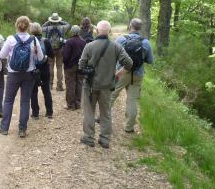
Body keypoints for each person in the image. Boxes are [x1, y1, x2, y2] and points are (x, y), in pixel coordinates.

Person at [78, 20, 132, 148]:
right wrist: (118, 74)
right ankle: (105, 139)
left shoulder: (89, 46)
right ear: (109, 31)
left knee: (89, 112)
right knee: (106, 113)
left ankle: (88, 138)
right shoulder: (116, 46)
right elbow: (129, 63)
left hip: (90, 86)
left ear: (96, 31)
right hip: (107, 86)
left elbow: (81, 66)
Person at [0, 16, 44, 138]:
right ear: (28, 27)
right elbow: (41, 58)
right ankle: (22, 129)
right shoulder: (34, 40)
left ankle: (4, 127)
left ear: (16, 25)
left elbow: (1, 55)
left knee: (8, 100)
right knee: (25, 102)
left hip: (13, 74)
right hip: (29, 75)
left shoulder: (11, 39)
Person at [110, 18, 155, 133]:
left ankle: (103, 119)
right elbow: (150, 60)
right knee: (132, 100)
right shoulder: (146, 42)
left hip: (121, 73)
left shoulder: (121, 39)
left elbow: (111, 54)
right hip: (137, 74)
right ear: (140, 28)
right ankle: (129, 127)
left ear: (130, 26)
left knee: (112, 95)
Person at [29, 22, 54, 119]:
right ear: (40, 30)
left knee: (33, 92)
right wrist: (45, 56)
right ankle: (49, 112)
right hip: (44, 69)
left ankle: (35, 113)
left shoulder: (28, 41)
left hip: (33, 70)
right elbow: (52, 55)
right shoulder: (46, 41)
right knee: (46, 91)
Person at [42, 13, 70, 91]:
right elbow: (68, 24)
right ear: (58, 20)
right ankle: (59, 86)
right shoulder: (63, 27)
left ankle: (50, 85)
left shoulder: (47, 28)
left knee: (50, 65)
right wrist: (60, 22)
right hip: (60, 48)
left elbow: (41, 27)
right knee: (59, 66)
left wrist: (48, 21)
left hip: (50, 49)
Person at [62, 25, 86, 110]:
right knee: (79, 84)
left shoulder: (69, 42)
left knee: (70, 85)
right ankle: (78, 104)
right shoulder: (83, 42)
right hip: (80, 66)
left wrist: (65, 64)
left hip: (70, 67)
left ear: (72, 32)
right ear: (79, 32)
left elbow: (65, 56)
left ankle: (70, 105)